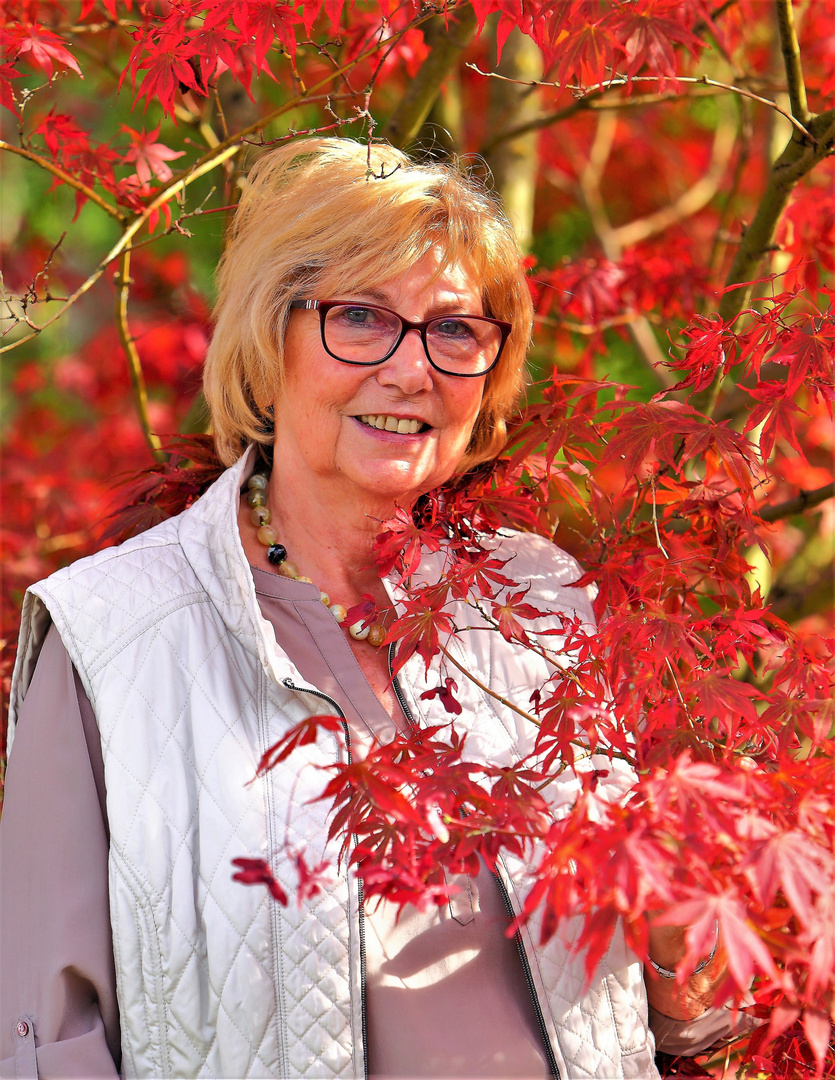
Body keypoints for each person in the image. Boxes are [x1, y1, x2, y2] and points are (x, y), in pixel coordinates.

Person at [1, 138, 737, 1080]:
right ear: (271, 341)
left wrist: (687, 955)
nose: (411, 370)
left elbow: (671, 1014)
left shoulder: (546, 601)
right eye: (359, 318)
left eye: (456, 330)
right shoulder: (112, 636)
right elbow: (43, 1043)